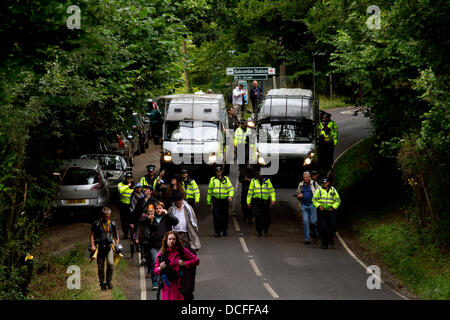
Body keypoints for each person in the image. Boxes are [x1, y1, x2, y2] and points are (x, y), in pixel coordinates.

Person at [137, 202, 179, 289]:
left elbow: (176, 222)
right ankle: (155, 282)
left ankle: (165, 281)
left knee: (166, 264)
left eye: (160, 208)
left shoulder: (166, 218)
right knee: (154, 262)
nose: (158, 210)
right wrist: (148, 219)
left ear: (163, 209)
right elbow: (142, 224)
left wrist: (168, 214)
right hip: (154, 245)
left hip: (165, 246)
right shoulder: (152, 218)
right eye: (156, 208)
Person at [168, 191, 201, 300]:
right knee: (175, 264)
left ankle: (189, 289)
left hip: (187, 238)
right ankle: (178, 290)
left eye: (180, 200)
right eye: (177, 201)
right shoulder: (170, 211)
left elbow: (194, 223)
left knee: (190, 265)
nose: (179, 203)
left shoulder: (188, 209)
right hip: (175, 238)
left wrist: (194, 238)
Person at [154, 231, 199, 300]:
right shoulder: (162, 253)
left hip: (179, 286)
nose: (171, 241)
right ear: (166, 240)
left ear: (177, 240)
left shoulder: (182, 251)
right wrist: (160, 268)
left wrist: (184, 263)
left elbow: (196, 260)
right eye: (169, 239)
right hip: (167, 287)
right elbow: (155, 269)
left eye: (173, 239)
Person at [90, 207, 120, 290]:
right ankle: (102, 283)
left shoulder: (112, 224)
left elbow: (116, 235)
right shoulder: (97, 224)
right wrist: (92, 245)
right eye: (104, 216)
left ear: (110, 215)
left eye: (107, 216)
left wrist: (117, 244)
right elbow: (92, 235)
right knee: (100, 267)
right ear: (102, 215)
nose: (106, 218)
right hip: (100, 248)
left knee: (110, 264)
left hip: (109, 247)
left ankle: (109, 281)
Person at [312, 177, 341, 249]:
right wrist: (319, 206)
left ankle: (331, 238)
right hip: (322, 211)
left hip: (331, 211)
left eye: (326, 183)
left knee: (333, 226)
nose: (324, 184)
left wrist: (333, 207)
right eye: (323, 183)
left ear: (328, 183)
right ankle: (324, 244)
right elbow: (314, 200)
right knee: (322, 227)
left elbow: (338, 200)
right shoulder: (319, 190)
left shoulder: (333, 190)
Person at [247, 168, 276, 236]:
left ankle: (265, 228)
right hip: (257, 201)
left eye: (260, 174)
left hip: (265, 202)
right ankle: (259, 231)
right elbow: (250, 192)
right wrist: (248, 202)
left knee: (267, 217)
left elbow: (271, 191)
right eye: (258, 174)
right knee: (257, 216)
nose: (259, 175)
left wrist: (273, 199)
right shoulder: (253, 181)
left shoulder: (267, 181)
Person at [207, 166, 234, 237]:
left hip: (224, 200)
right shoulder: (212, 180)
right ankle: (217, 232)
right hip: (216, 200)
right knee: (216, 216)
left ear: (221, 172)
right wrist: (209, 202)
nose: (218, 172)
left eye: (219, 171)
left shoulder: (226, 180)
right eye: (217, 171)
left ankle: (224, 229)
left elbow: (231, 189)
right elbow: (209, 192)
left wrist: (230, 196)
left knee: (224, 216)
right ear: (215, 172)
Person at [296, 171, 319, 244]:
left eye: (306, 177)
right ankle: (307, 239)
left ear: (309, 177)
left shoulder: (314, 184)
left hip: (312, 205)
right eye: (304, 177)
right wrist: (299, 196)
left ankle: (316, 234)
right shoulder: (301, 184)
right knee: (305, 222)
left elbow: (320, 192)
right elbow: (298, 193)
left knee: (313, 222)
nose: (305, 178)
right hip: (304, 205)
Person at [117, 171, 134, 238]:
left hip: (131, 205)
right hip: (123, 205)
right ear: (125, 178)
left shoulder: (134, 185)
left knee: (130, 220)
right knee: (123, 220)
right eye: (128, 178)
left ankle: (132, 234)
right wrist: (127, 186)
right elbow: (120, 191)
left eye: (130, 178)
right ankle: (125, 233)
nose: (129, 179)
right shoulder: (120, 184)